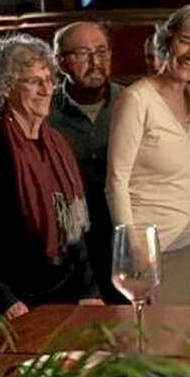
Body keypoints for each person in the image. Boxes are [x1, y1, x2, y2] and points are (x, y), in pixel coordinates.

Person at [0, 34, 97, 320]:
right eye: (33, 81)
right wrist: (5, 300)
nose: (46, 90)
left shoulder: (58, 145)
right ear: (5, 87)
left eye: (49, 80)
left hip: (67, 294)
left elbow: (76, 230)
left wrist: (90, 290)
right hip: (16, 303)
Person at [106, 5, 190, 306]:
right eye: (186, 41)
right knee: (156, 335)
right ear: (168, 41)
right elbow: (116, 181)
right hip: (150, 251)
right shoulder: (136, 99)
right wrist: (135, 249)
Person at [50, 21, 122, 302]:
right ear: (61, 62)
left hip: (124, 240)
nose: (95, 62)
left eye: (101, 51)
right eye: (82, 54)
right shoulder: (45, 112)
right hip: (71, 253)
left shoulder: (131, 102)